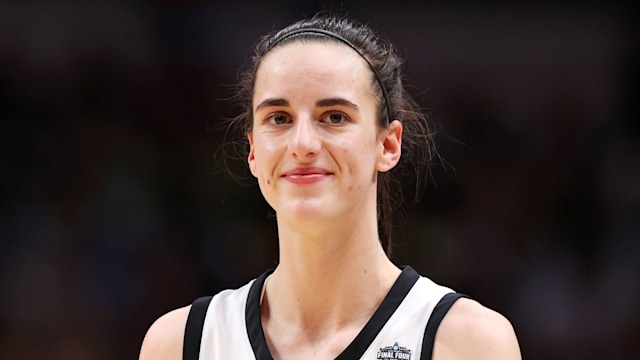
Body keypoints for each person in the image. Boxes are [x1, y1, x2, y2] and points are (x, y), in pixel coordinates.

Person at [139, 12, 521, 360]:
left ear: (388, 145)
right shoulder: (182, 343)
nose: (303, 144)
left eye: (334, 116)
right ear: (253, 150)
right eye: (279, 118)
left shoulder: (467, 342)